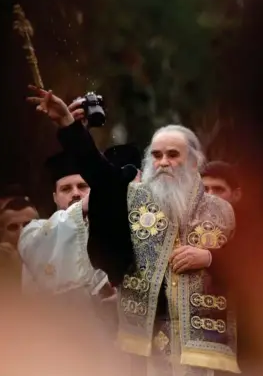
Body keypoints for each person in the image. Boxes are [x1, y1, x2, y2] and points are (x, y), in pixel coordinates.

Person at [27, 87, 240, 376]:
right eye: (156, 155)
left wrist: (211, 258)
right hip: (149, 351)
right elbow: (100, 174)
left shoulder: (223, 211)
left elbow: (257, 267)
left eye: (173, 155)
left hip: (211, 351)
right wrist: (68, 125)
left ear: (193, 162)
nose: (163, 162)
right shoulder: (134, 202)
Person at [18, 151, 113, 301]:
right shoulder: (33, 231)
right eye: (66, 189)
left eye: (82, 186)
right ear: (55, 197)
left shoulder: (110, 231)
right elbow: (35, 246)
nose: (75, 193)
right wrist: (80, 208)